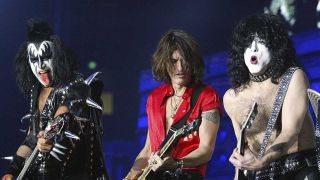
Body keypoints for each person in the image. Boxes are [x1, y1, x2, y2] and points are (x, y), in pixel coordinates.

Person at [2, 19, 109, 180]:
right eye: (33, 59)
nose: (40, 66)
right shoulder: (36, 91)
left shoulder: (75, 83)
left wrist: (50, 133)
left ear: (57, 55)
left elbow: (67, 110)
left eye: (45, 57)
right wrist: (12, 170)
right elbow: (31, 138)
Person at [224, 13, 320, 179]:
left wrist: (262, 161)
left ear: (275, 48)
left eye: (261, 42)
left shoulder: (293, 77)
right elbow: (243, 146)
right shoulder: (232, 97)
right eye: (247, 44)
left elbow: (290, 132)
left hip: (299, 170)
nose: (253, 48)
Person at [124, 29, 221, 180]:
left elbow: (206, 150)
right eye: (174, 61)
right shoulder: (154, 98)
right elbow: (149, 148)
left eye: (184, 60)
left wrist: (176, 163)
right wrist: (130, 176)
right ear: (163, 62)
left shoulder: (207, 96)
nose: (180, 68)